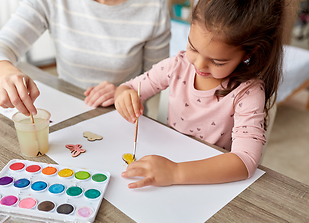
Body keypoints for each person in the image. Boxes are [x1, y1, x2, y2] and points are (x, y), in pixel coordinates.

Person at [114, 0, 284, 188]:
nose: (199, 65)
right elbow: (128, 88)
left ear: (247, 54)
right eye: (193, 48)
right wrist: (124, 96)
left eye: (217, 62)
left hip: (210, 180)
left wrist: (175, 173)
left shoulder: (248, 92)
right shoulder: (177, 65)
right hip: (168, 164)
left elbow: (246, 161)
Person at [0, 0, 170, 116]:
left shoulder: (154, 7)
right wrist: (7, 72)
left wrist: (124, 91)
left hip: (120, 116)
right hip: (66, 110)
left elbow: (157, 78)